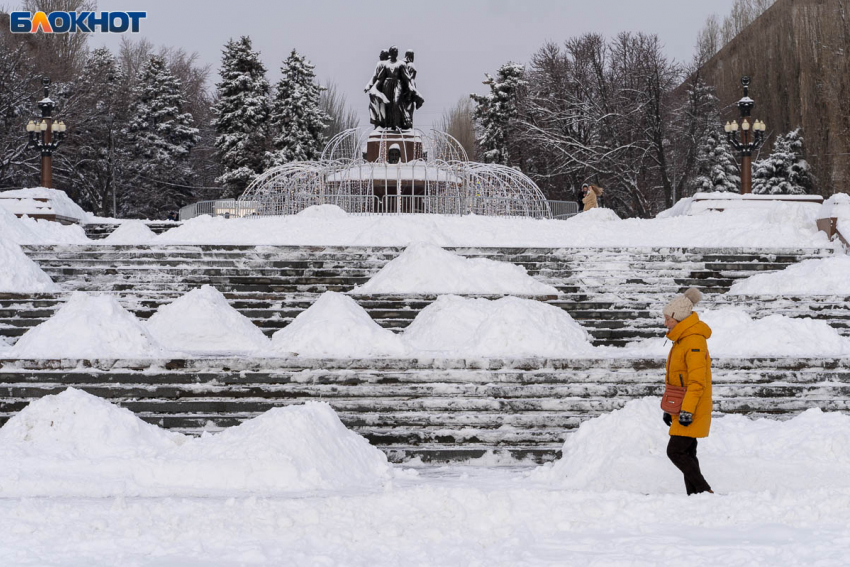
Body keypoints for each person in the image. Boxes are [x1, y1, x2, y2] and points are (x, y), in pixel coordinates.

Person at [662, 287, 714, 495]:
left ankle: (704, 489)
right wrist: (670, 408)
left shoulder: (693, 340)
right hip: (683, 405)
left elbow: (696, 381)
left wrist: (687, 411)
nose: (665, 323)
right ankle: (697, 496)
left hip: (692, 405)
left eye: (668, 319)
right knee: (688, 452)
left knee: (675, 451)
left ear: (678, 318)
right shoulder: (682, 340)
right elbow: (676, 378)